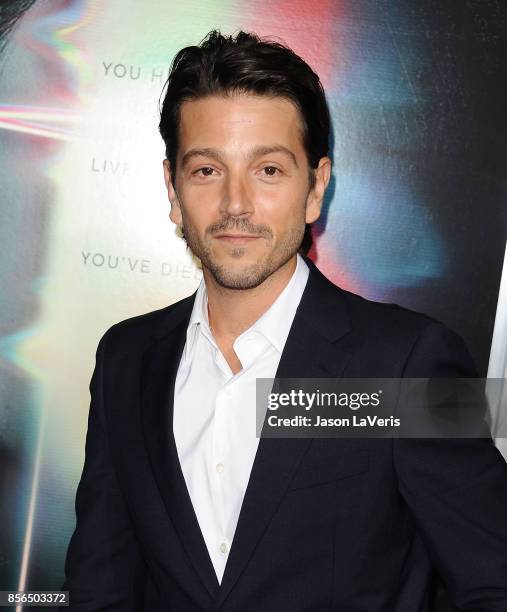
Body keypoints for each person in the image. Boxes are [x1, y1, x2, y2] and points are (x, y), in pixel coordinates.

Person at [62, 30, 507, 611]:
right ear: (172, 189)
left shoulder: (412, 362)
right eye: (206, 171)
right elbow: (100, 585)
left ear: (316, 188)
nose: (236, 204)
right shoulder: (124, 358)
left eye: (268, 170)